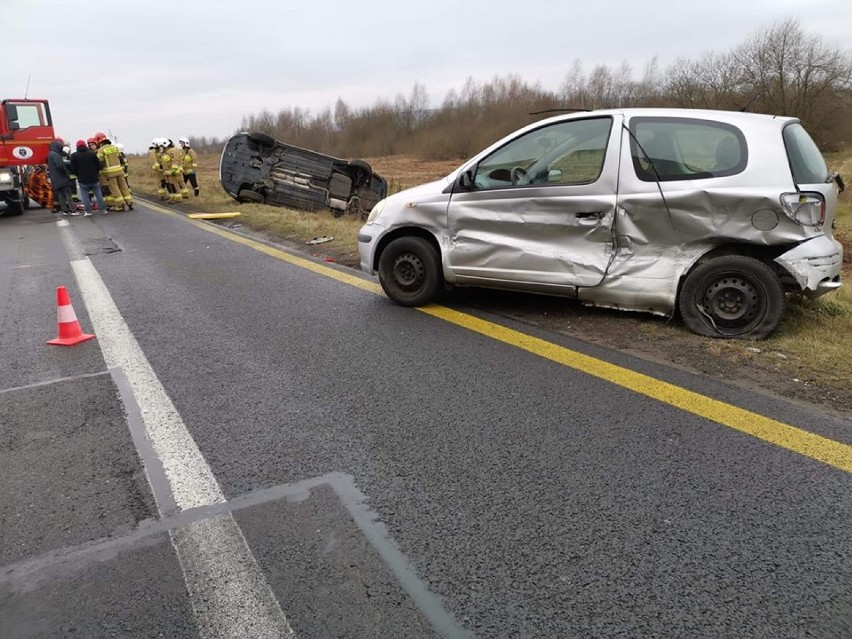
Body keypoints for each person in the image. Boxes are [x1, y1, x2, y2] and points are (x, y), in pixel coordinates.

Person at [94, 132, 134, 211]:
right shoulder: (115, 148)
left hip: (110, 173)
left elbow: (100, 163)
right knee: (124, 187)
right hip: (119, 171)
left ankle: (120, 205)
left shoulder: (101, 150)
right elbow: (121, 159)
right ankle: (130, 202)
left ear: (100, 143)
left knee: (114, 189)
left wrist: (99, 171)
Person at [69, 139, 107, 216]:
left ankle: (88, 211)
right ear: (85, 145)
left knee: (85, 196)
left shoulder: (74, 156)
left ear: (77, 146)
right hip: (94, 178)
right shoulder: (92, 154)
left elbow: (72, 169)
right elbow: (98, 165)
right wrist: (95, 173)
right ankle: (103, 210)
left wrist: (78, 174)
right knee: (98, 194)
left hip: (83, 179)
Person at [46, 139, 76, 215]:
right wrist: (66, 173)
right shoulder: (56, 155)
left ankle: (64, 210)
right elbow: (60, 166)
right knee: (68, 194)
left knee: (61, 195)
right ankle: (72, 209)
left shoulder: (50, 154)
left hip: (55, 179)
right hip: (62, 178)